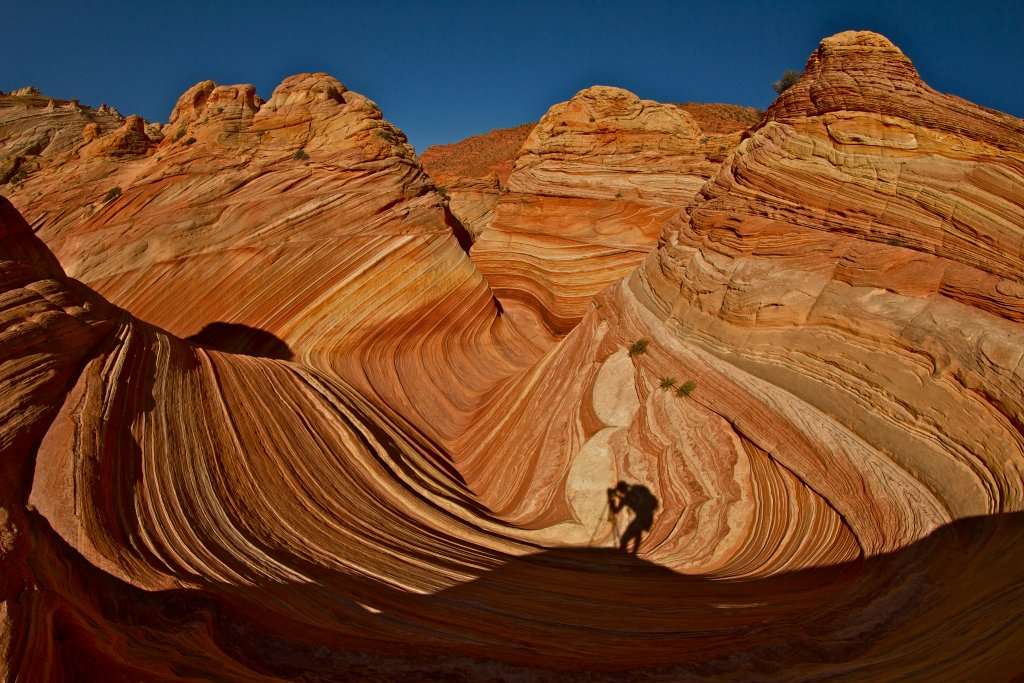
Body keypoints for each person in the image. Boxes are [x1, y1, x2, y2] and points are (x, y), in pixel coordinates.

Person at [607, 481, 658, 554]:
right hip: (646, 517)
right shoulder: (632, 493)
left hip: (642, 518)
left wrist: (612, 499)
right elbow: (617, 510)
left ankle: (630, 554)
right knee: (636, 533)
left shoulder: (630, 495)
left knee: (626, 538)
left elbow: (617, 509)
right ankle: (633, 554)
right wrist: (613, 499)